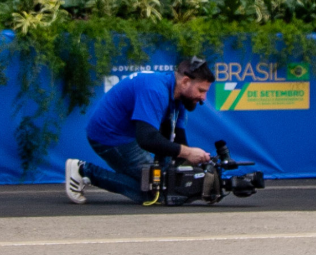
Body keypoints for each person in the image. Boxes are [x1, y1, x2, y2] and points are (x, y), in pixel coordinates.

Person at [65, 57, 216, 205]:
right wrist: (188, 153)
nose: (203, 98)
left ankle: (86, 172)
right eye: (201, 90)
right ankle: (83, 171)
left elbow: (177, 141)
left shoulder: (179, 98)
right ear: (185, 82)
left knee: (165, 183)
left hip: (128, 134)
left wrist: (200, 164)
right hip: (109, 135)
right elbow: (147, 139)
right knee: (155, 192)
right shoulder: (155, 90)